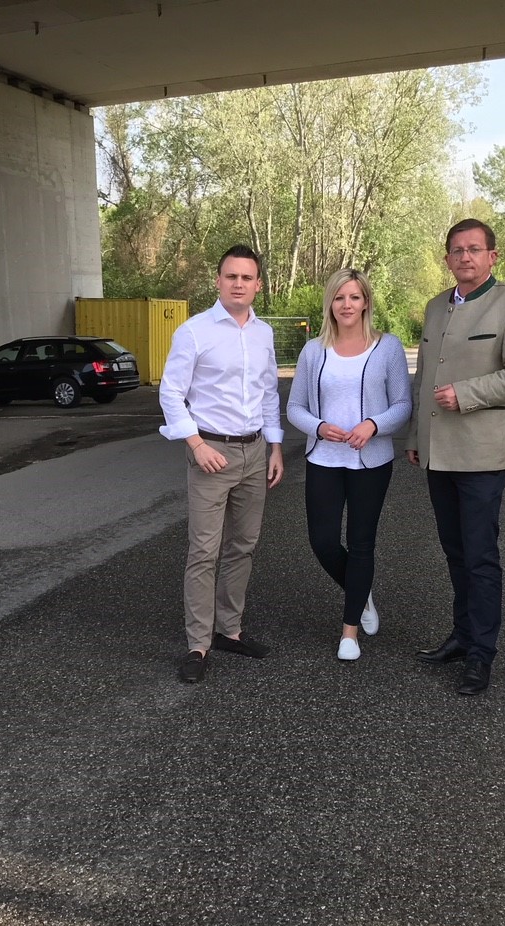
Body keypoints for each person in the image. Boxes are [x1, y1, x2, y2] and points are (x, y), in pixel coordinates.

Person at [405, 219, 505, 695]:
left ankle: (482, 654)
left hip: (481, 453)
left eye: (474, 249)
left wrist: (466, 394)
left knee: (480, 556)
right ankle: (462, 637)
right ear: (446, 258)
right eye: (457, 250)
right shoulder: (435, 306)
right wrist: (415, 434)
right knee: (455, 552)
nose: (465, 257)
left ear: (492, 257)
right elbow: (424, 376)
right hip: (436, 452)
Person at [159, 245, 285, 684]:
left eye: (247, 277)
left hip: (254, 452)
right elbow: (171, 393)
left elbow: (268, 393)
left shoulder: (264, 333)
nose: (238, 284)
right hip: (211, 453)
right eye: (231, 276)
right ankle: (198, 644)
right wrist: (195, 444)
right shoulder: (194, 332)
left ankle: (230, 629)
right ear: (218, 281)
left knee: (243, 546)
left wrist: (275, 447)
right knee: (204, 552)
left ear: (258, 285)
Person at [287, 268, 412, 661]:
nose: (347, 305)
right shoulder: (313, 351)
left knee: (361, 544)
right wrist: (319, 427)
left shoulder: (387, 347)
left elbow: (403, 405)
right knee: (323, 542)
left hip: (370, 463)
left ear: (366, 302)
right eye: (339, 297)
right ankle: (361, 592)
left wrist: (373, 424)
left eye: (354, 297)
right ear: (330, 303)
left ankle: (349, 633)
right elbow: (295, 407)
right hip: (324, 459)